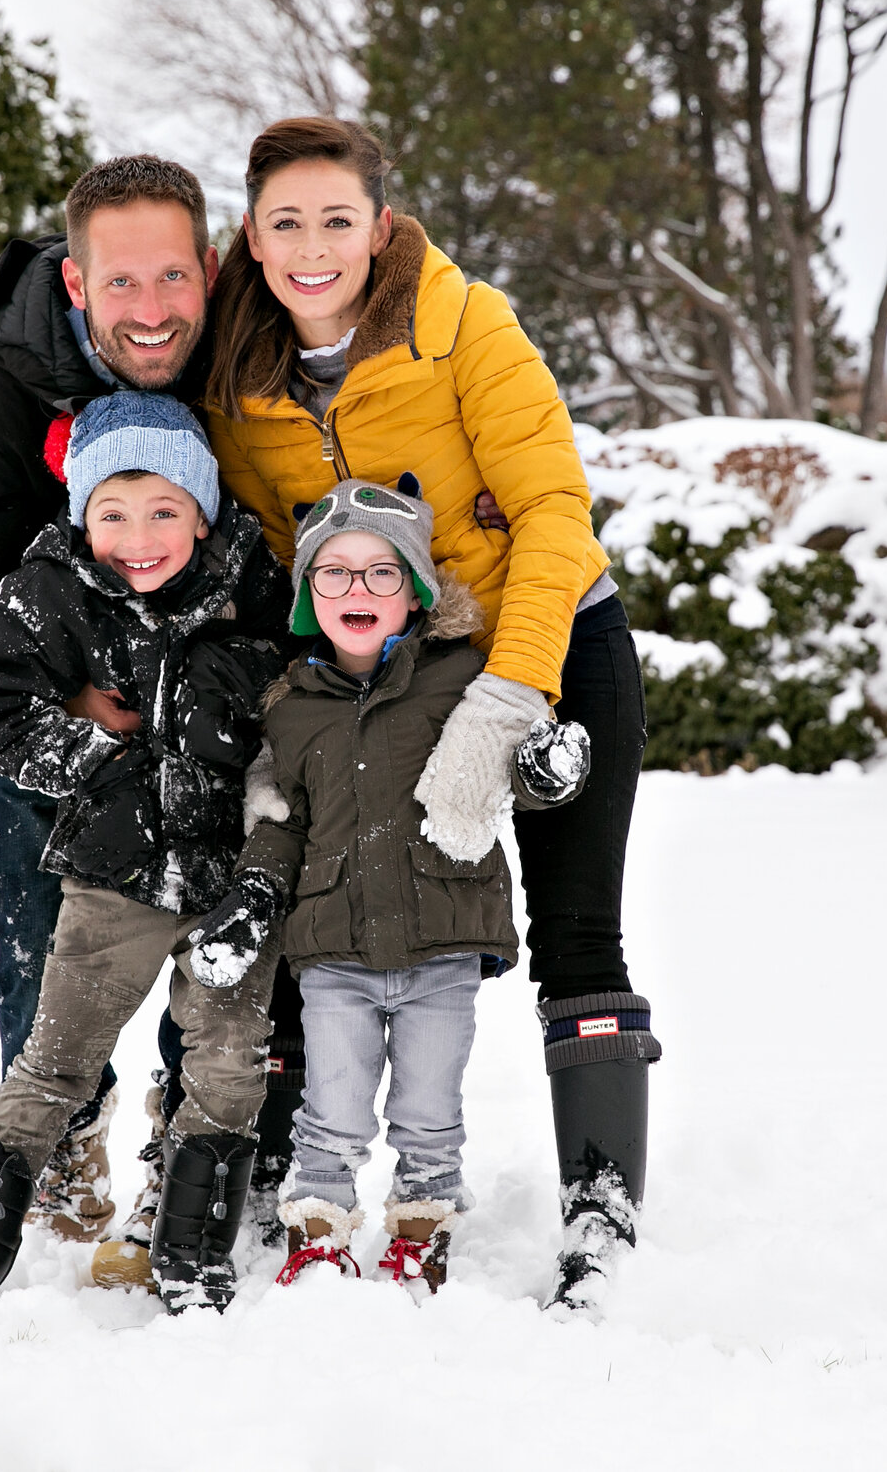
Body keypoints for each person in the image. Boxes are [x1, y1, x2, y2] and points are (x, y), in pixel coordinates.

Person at [204, 117, 662, 1308]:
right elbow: (259, 548)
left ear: (382, 228)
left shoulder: (465, 324)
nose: (312, 247)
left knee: (574, 929)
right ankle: (293, 1177)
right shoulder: (237, 374)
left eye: (337, 220)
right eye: (285, 223)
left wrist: (510, 697)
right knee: (328, 913)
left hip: (545, 638)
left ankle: (600, 1198)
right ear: (251, 240)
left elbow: (555, 510)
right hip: (370, 674)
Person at [0, 155, 306, 1258]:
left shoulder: (236, 363)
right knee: (45, 931)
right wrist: (84, 710)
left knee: (228, 926)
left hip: (218, 708)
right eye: (123, 283)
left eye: (173, 278)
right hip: (69, 699)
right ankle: (55, 1145)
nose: (153, 309)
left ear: (211, 266)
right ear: (78, 283)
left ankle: (185, 1151)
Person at [0, 392, 290, 1335]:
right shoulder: (49, 591)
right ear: (81, 514)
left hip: (226, 884)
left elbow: (298, 703)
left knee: (230, 1065)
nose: (139, 537)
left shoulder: (255, 589)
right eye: (112, 514)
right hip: (112, 875)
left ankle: (191, 1256)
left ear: (202, 512)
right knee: (54, 1063)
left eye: (165, 511)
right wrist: (92, 753)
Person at [185, 477, 587, 1295]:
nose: (356, 590)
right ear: (307, 596)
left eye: (381, 572)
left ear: (416, 590)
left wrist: (549, 772)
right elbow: (279, 819)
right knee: (330, 1107)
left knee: (430, 1112)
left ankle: (419, 1227)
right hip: (333, 951)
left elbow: (511, 763)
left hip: (443, 941)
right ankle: (321, 1230)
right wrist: (253, 896)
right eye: (333, 573)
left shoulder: (461, 679)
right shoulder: (291, 708)